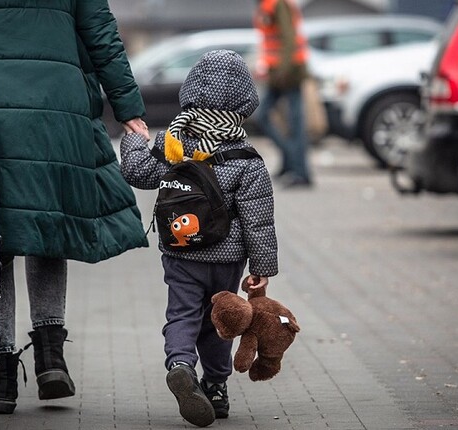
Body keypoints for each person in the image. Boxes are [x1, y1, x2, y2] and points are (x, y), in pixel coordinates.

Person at [0, 0, 150, 414]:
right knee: (47, 226)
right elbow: (101, 32)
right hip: (57, 106)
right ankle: (50, 355)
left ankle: (2, 371)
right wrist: (127, 106)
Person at [120, 50, 278, 427]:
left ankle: (179, 365)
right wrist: (262, 269)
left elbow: (138, 172)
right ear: (244, 101)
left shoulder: (173, 145)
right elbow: (259, 220)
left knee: (182, 314)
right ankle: (216, 388)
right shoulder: (247, 158)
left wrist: (134, 140)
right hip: (226, 260)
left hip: (181, 252)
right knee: (220, 320)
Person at [254, 0, 312, 187]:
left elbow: (289, 38)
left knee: (294, 124)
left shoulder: (277, 4)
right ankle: (291, 164)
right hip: (279, 71)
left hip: (288, 72)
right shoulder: (267, 5)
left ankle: (300, 172)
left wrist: (281, 71)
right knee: (275, 119)